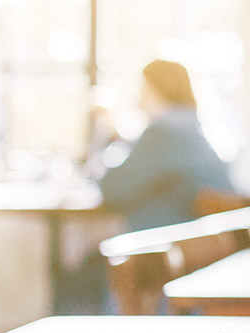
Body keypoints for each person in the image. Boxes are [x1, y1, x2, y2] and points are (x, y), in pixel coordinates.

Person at [98, 60, 235, 231]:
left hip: (166, 242)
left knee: (90, 256)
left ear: (156, 88)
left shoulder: (164, 132)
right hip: (197, 238)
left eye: (142, 86)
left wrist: (104, 145)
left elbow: (112, 189)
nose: (137, 93)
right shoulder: (188, 126)